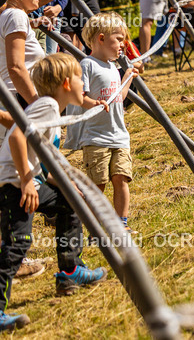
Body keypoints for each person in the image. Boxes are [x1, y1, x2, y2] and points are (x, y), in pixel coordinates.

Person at [0, 53, 108, 330]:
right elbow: (16, 135)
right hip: (13, 184)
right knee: (17, 245)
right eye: (78, 77)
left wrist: (67, 186)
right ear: (65, 83)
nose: (83, 82)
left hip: (27, 180)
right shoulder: (47, 105)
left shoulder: (51, 109)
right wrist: (26, 179)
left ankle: (70, 271)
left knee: (68, 203)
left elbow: (44, 159)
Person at [62, 13, 139, 232]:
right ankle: (88, 224)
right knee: (98, 183)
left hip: (119, 134)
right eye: (118, 39)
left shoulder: (114, 68)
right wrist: (93, 103)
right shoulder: (87, 64)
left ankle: (120, 224)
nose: (123, 45)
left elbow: (119, 98)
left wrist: (127, 79)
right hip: (95, 136)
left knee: (121, 177)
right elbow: (79, 96)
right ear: (101, 39)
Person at [0, 0, 48, 108]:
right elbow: (16, 67)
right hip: (18, 101)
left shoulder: (11, 15)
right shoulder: (16, 16)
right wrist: (36, 104)